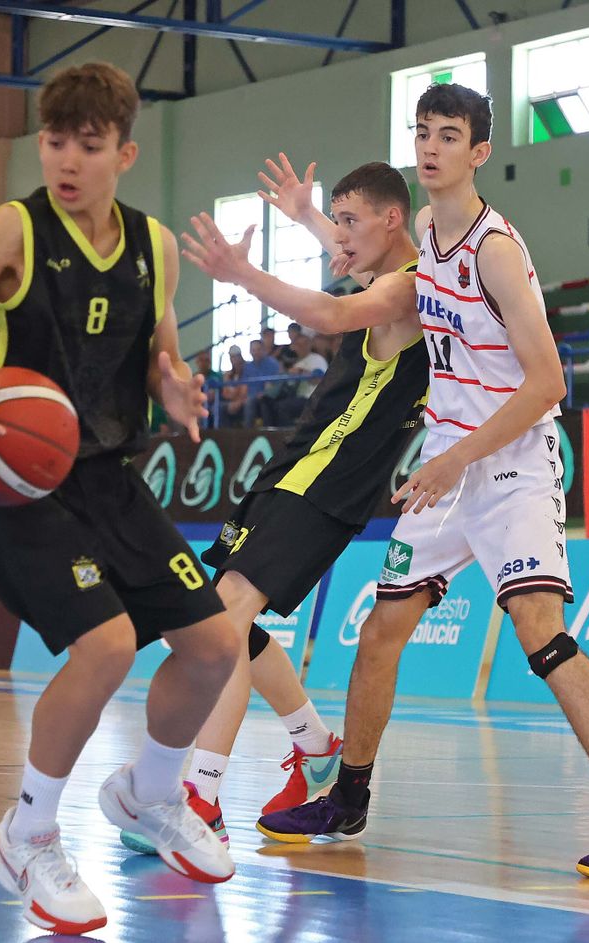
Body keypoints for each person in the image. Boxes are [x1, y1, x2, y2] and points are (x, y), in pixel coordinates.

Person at [184, 82, 589, 879]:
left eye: (449, 135)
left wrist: (456, 455)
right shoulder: (423, 229)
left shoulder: (494, 251)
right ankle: (347, 795)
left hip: (511, 462)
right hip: (446, 471)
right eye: (423, 132)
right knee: (379, 634)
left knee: (542, 636)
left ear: (479, 153)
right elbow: (375, 276)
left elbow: (548, 382)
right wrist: (313, 220)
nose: (431, 147)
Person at [0, 62, 236, 935]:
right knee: (107, 645)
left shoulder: (152, 248)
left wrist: (179, 384)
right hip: (13, 481)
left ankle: (148, 797)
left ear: (125, 152)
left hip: (110, 475)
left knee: (213, 644)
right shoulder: (13, 229)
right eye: (53, 142)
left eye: (87, 145)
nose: (66, 161)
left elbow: (161, 357)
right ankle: (29, 833)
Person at [119, 157, 431, 857]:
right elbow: (354, 260)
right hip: (294, 467)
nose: (339, 241)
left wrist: (243, 277)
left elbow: (329, 311)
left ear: (391, 220)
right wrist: (305, 214)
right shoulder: (384, 267)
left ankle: (198, 796)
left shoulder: (410, 290)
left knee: (221, 623)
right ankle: (316, 749)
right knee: (212, 616)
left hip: (330, 482)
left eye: (350, 224)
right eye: (337, 224)